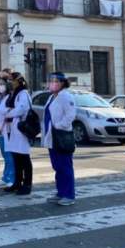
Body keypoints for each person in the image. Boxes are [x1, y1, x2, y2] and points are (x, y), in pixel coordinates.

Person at [41, 72, 77, 206]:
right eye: (50, 80)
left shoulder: (66, 96)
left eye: (55, 81)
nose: (52, 83)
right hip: (52, 137)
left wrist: (58, 126)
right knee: (57, 166)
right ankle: (60, 192)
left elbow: (71, 115)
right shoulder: (52, 97)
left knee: (65, 166)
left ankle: (69, 195)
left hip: (61, 136)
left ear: (62, 83)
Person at [4, 73, 34, 195]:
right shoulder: (14, 93)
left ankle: (27, 185)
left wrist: (9, 113)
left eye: (12, 80)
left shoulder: (23, 94)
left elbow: (20, 110)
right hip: (13, 128)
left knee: (24, 158)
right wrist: (9, 111)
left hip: (22, 129)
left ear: (19, 81)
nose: (10, 82)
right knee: (16, 157)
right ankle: (17, 182)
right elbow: (8, 108)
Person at [0, 75, 15, 188]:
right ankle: (6, 177)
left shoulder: (11, 97)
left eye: (2, 84)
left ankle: (12, 178)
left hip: (8, 129)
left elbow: (10, 111)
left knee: (10, 156)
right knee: (5, 156)